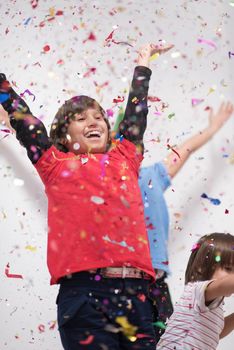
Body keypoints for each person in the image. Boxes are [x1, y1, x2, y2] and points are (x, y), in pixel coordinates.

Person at [0, 43, 172, 350]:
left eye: (98, 117)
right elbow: (25, 120)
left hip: (137, 294)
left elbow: (135, 113)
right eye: (80, 118)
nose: (93, 121)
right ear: (64, 134)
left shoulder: (125, 157)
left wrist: (143, 64)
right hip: (84, 296)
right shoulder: (53, 163)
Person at [114, 98, 234, 341]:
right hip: (118, 278)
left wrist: (211, 130)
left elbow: (185, 149)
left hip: (154, 280)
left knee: (166, 337)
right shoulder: (103, 185)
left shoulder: (152, 176)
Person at [156, 232, 234, 349]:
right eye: (228, 269)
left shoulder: (213, 304)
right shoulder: (199, 290)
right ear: (201, 268)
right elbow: (225, 284)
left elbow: (216, 333)